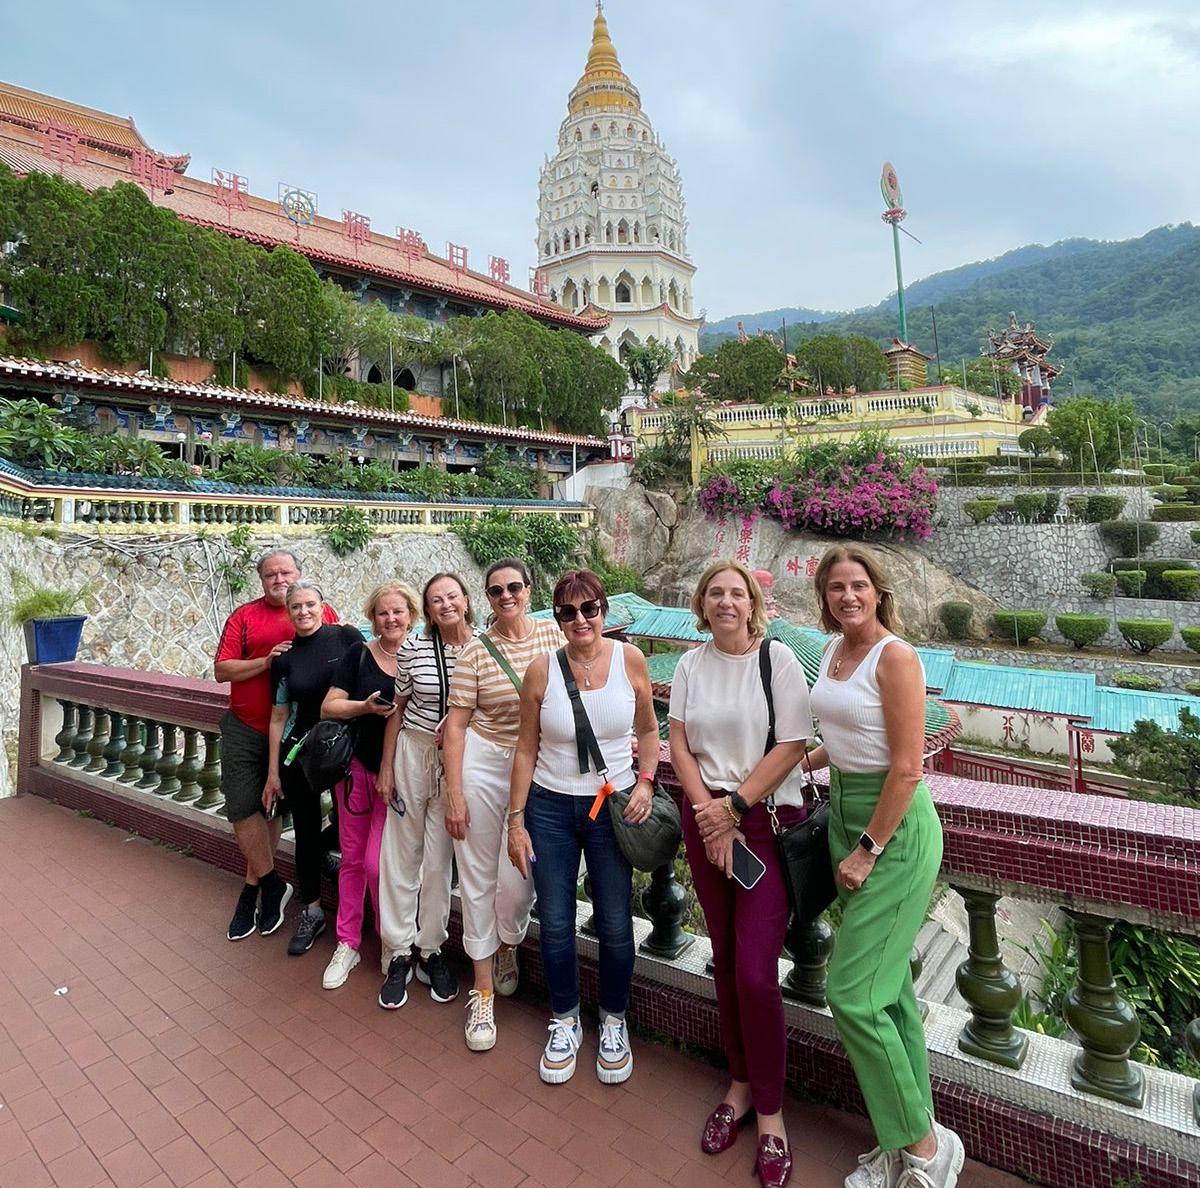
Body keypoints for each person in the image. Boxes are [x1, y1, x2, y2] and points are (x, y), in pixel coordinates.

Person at [807, 545, 963, 1188]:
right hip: (844, 813)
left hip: (891, 832)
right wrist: (794, 764)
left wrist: (868, 848)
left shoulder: (895, 656)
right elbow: (844, 735)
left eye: (859, 585)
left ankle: (926, 1148)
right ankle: (902, 1140)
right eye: (836, 587)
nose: (848, 596)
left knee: (851, 994)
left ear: (878, 591)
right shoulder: (833, 652)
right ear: (824, 597)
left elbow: (906, 766)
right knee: (889, 991)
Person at [668, 561, 814, 1188]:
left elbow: (792, 745)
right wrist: (708, 814)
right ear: (702, 604)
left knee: (757, 973)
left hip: (761, 821)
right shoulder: (689, 665)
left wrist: (733, 810)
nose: (725, 602)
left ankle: (772, 1116)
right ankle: (739, 1086)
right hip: (705, 817)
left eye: (736, 593)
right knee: (725, 958)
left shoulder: (777, 660)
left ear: (752, 602)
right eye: (715, 593)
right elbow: (678, 742)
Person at [507, 570, 659, 1086]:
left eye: (589, 608)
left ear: (603, 610)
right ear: (557, 617)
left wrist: (645, 782)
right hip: (549, 807)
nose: (580, 620)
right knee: (554, 920)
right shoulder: (541, 670)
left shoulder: (630, 660)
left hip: (612, 807)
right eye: (568, 611)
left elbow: (648, 730)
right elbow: (526, 748)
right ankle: (565, 1018)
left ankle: (613, 1020)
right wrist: (515, 820)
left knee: (615, 921)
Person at [443, 558, 561, 1052]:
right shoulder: (474, 650)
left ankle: (509, 943)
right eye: (496, 590)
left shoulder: (554, 636)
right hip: (485, 761)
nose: (506, 596)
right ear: (487, 598)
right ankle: (483, 989)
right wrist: (454, 792)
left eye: (514, 586)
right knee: (476, 876)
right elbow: (455, 725)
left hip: (538, 765)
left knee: (517, 880)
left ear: (529, 590)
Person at [215, 550, 338, 943]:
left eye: (286, 572)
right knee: (242, 807)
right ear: (261, 579)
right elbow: (221, 670)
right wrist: (265, 662)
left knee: (274, 806)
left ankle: (260, 888)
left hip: (300, 736)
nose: (279, 579)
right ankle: (269, 883)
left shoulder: (318, 609)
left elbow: (343, 652)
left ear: (299, 574)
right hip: (247, 726)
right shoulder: (244, 617)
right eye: (271, 574)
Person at [374, 573, 478, 1009]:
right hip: (413, 753)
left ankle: (430, 948)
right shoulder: (414, 648)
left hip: (458, 761)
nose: (446, 604)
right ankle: (398, 950)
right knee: (402, 854)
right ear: (429, 609)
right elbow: (397, 710)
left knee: (439, 861)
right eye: (437, 600)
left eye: (452, 596)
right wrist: (386, 767)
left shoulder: (483, 648)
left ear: (466, 600)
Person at [318, 581, 417, 990]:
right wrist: (364, 707)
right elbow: (329, 706)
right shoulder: (359, 655)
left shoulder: (423, 654)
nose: (390, 619)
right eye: (382, 612)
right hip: (358, 770)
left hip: (403, 775)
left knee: (382, 864)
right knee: (354, 859)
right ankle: (348, 942)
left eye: (397, 611)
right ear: (373, 618)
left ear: (411, 614)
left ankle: (390, 938)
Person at [264, 579, 364, 957]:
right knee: (304, 831)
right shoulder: (284, 658)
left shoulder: (346, 638)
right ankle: (312, 910)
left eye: (310, 604)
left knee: (347, 827)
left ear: (323, 606)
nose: (303, 611)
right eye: (296, 606)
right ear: (288, 612)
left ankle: (349, 896)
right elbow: (278, 716)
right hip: (301, 753)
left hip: (344, 748)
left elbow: (375, 671)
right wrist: (273, 773)